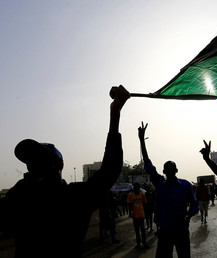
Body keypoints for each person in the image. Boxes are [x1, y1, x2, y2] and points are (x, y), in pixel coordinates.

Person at [0, 85, 130, 257]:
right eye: (29, 161)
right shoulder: (19, 196)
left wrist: (115, 113)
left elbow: (110, 169)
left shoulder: (73, 197)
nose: (31, 166)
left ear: (57, 166)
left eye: (38, 160)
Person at [138, 122, 198, 258]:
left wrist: (188, 216)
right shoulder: (160, 183)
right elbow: (147, 163)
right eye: (167, 170)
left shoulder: (186, 185)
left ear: (176, 171)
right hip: (165, 231)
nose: (170, 172)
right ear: (164, 172)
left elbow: (195, 205)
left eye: (172, 170)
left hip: (181, 231)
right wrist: (142, 140)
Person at [126, 182, 149, 249]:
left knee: (142, 230)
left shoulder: (142, 195)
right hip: (135, 216)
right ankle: (138, 244)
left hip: (141, 215)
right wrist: (130, 213)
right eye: (135, 186)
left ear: (139, 187)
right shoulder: (130, 195)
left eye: (138, 187)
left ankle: (144, 243)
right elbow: (129, 205)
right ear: (134, 187)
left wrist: (145, 213)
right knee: (137, 231)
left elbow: (145, 204)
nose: (137, 188)